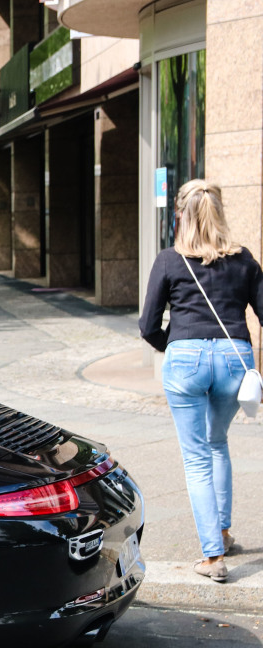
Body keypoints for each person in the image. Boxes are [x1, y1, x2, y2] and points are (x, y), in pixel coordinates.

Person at [139, 179, 263, 583]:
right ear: (220, 213)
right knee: (218, 443)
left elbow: (147, 326)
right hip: (234, 360)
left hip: (186, 359)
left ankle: (212, 556)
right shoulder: (244, 260)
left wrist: (175, 346)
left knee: (196, 458)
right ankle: (224, 533)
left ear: (180, 215)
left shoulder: (170, 260)